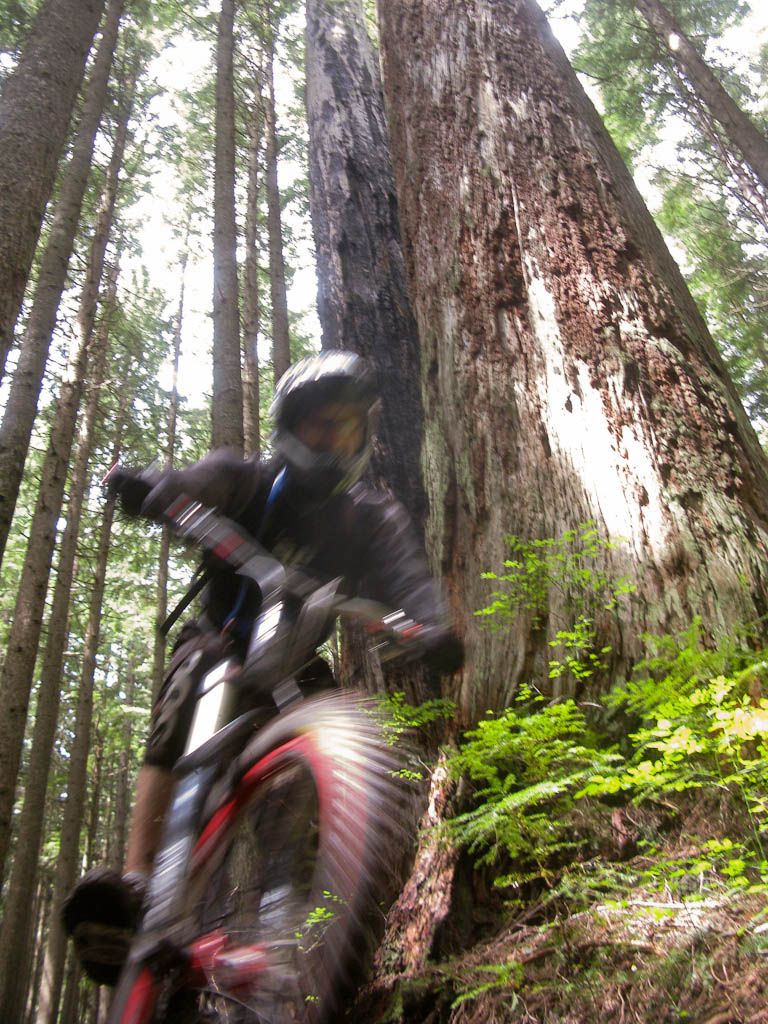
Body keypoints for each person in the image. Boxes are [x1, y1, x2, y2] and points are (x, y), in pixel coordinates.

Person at [63, 349, 464, 985]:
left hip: (293, 669)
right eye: (320, 425)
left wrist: (430, 626)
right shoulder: (246, 478)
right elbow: (193, 485)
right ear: (290, 426)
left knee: (337, 723)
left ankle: (299, 922)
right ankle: (139, 882)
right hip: (221, 641)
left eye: (347, 428)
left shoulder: (369, 517)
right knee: (198, 673)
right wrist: (154, 489)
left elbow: (408, 579)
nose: (334, 440)